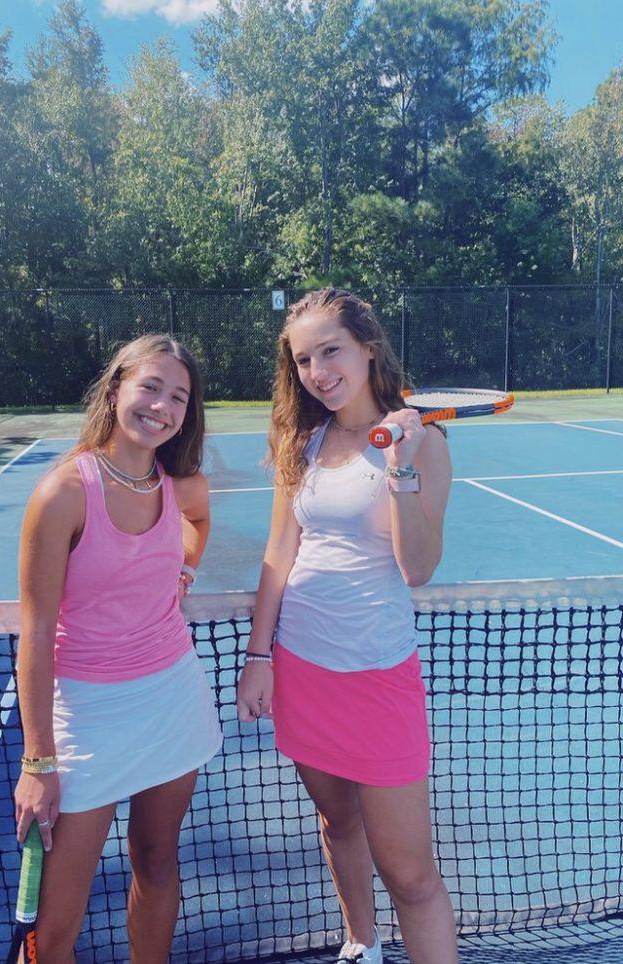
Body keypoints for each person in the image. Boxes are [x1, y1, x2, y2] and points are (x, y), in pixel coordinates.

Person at [237, 289, 457, 964]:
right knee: (337, 822)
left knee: (412, 876)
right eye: (303, 359)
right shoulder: (301, 442)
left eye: (330, 350)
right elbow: (280, 552)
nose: (317, 370)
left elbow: (416, 569)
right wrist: (259, 654)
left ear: (367, 347)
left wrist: (402, 473)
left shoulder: (424, 442)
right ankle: (360, 943)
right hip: (302, 669)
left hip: (378, 679)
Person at [13, 334, 222, 964]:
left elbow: (199, 520)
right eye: (150, 387)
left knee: (158, 862)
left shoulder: (179, 485)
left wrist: (183, 570)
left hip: (172, 701)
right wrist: (38, 762)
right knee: (53, 932)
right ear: (116, 389)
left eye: (178, 397)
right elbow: (36, 632)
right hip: (87, 717)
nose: (162, 406)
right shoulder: (63, 494)